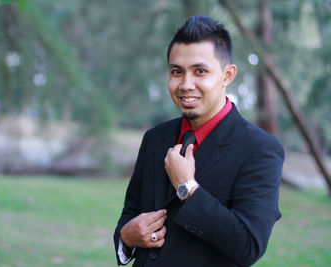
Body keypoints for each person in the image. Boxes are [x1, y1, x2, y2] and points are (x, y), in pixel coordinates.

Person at [113, 15, 284, 267]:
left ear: (227, 75)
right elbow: (132, 212)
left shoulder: (261, 150)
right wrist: (125, 237)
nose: (186, 84)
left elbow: (248, 246)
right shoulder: (154, 139)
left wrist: (187, 188)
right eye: (176, 72)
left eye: (200, 71)